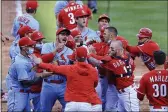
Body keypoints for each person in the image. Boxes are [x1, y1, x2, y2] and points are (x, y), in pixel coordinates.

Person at [33, 47, 102, 111]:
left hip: (71, 104)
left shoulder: (70, 68)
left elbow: (54, 68)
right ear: (86, 57)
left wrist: (40, 63)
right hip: (86, 103)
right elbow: (94, 84)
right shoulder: (93, 70)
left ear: (76, 57)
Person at [90, 40, 140, 111]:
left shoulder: (113, 63)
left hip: (128, 94)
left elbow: (97, 63)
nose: (109, 50)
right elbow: (132, 67)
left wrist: (88, 55)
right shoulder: (127, 57)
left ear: (119, 50)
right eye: (110, 48)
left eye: (112, 49)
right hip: (124, 91)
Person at [88, 26, 128, 111]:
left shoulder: (117, 46)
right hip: (110, 81)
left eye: (105, 34)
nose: (103, 35)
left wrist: (90, 55)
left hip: (117, 83)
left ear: (111, 36)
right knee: (108, 104)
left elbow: (103, 62)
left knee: (117, 106)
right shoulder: (107, 45)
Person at [7, 37, 50, 111]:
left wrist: (38, 66)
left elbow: (30, 72)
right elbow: (25, 83)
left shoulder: (27, 57)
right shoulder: (20, 63)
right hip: (17, 95)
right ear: (23, 48)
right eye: (30, 46)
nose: (32, 47)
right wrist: (42, 76)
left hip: (25, 93)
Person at [40, 27, 73, 111]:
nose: (65, 36)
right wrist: (56, 49)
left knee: (69, 109)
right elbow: (44, 60)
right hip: (48, 85)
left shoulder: (70, 52)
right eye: (62, 34)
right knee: (44, 109)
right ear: (57, 36)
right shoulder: (47, 46)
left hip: (64, 85)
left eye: (66, 35)